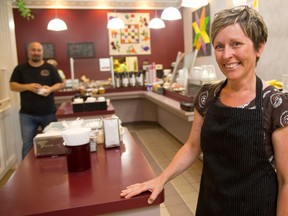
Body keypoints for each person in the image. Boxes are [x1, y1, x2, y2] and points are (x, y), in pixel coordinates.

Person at [120, 6, 288, 216]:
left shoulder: (274, 103)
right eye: (219, 46)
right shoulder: (207, 96)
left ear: (259, 47)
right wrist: (160, 179)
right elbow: (192, 146)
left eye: (236, 44)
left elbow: (285, 180)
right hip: (211, 206)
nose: (227, 55)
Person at [10, 42, 63, 159]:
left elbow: (60, 83)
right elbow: (12, 86)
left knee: (53, 142)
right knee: (28, 144)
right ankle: (26, 173)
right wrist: (27, 86)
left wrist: (50, 89)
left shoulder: (50, 68)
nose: (36, 53)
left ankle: (53, 168)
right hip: (27, 115)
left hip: (48, 112)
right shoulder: (20, 68)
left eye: (39, 50)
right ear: (28, 52)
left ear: (42, 52)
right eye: (33, 50)